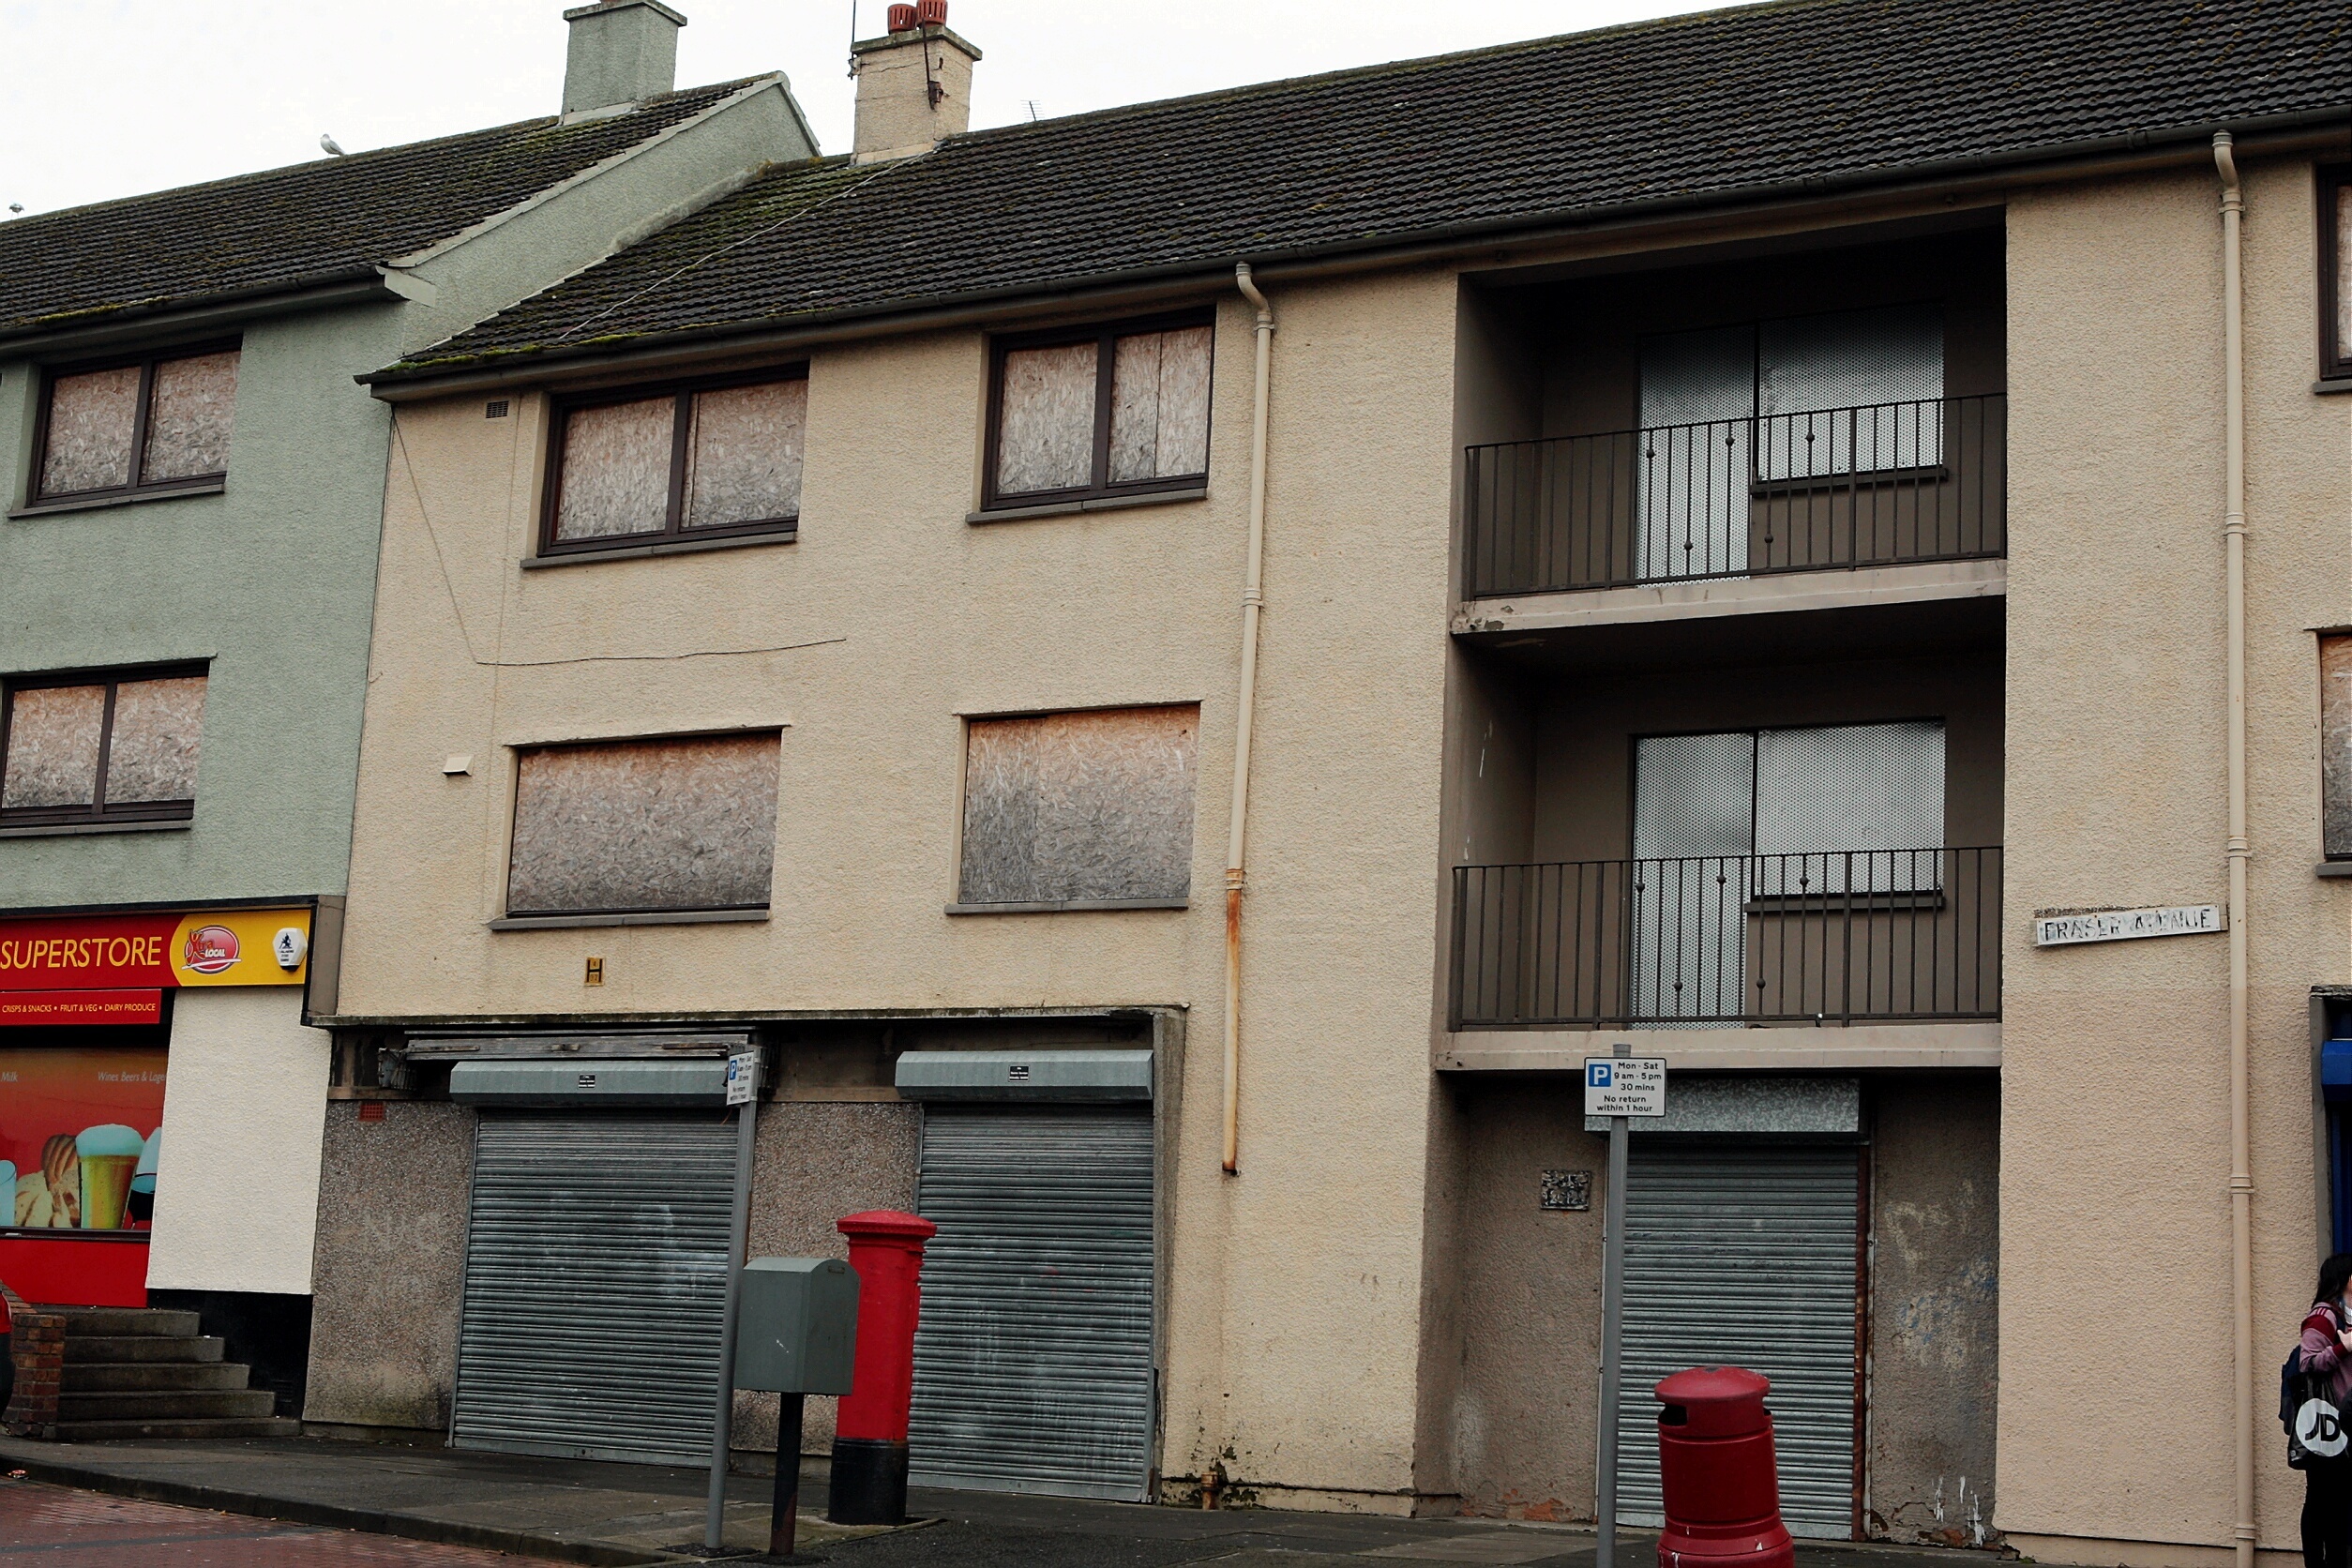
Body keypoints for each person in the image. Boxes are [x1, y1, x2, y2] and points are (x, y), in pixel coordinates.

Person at [2302, 1254, 2352, 1568]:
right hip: (2328, 1422)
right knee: (2322, 1500)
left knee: (2342, 1501)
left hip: (2351, 1420)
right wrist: (2342, 1347)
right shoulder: (2324, 1317)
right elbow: (2308, 1362)